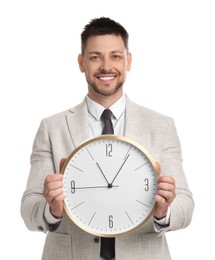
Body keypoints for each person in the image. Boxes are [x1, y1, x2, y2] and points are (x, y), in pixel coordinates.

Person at [21, 17, 194, 260]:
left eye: (115, 56)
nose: (106, 67)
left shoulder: (161, 125)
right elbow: (29, 207)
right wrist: (52, 210)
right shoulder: (52, 127)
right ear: (81, 63)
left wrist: (163, 212)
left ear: (128, 61)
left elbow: (185, 205)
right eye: (95, 57)